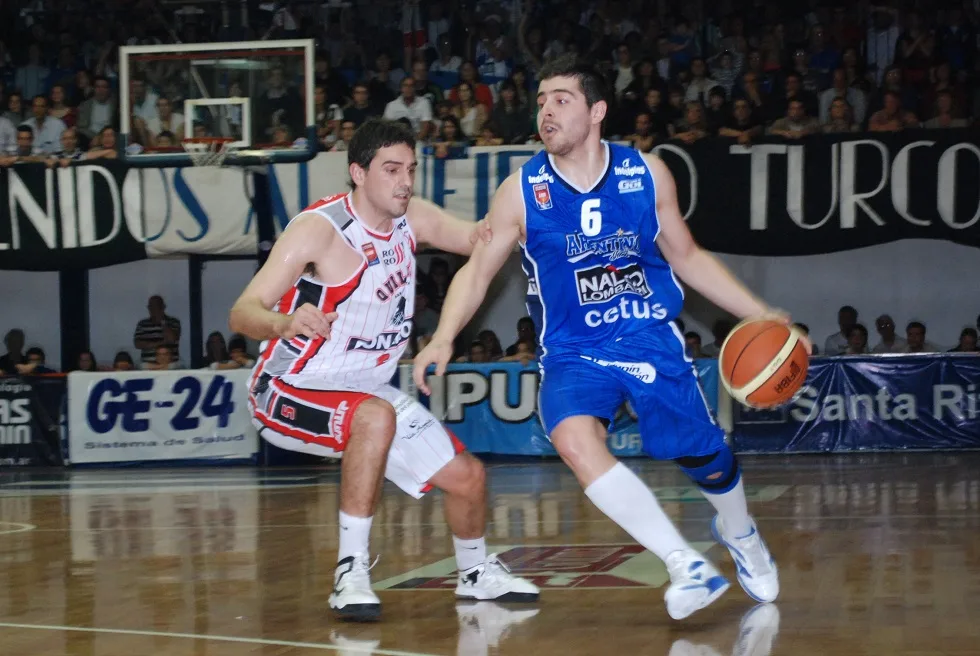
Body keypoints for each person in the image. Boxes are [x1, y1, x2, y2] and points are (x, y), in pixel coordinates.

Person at [415, 56, 805, 620]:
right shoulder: (521, 191)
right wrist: (443, 336)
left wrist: (763, 313)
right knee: (573, 439)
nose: (546, 111)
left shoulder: (647, 173)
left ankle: (740, 531)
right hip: (572, 350)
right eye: (541, 100)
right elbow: (476, 273)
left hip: (647, 335)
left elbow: (688, 256)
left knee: (705, 456)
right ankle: (684, 563)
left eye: (561, 100)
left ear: (597, 111)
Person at [228, 119, 537, 622]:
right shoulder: (319, 230)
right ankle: (350, 571)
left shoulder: (412, 217)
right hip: (288, 386)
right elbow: (242, 313)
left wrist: (516, 215)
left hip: (365, 391)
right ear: (358, 172)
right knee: (374, 417)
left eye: (410, 170)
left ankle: (475, 573)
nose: (405, 182)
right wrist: (283, 322)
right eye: (392, 170)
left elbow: (475, 238)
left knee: (468, 478)